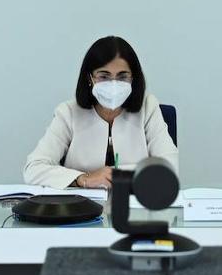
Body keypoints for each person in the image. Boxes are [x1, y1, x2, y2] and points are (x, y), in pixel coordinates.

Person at [24, 35, 178, 188]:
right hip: (82, 202)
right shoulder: (68, 113)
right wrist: (84, 179)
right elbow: (34, 168)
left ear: (133, 78)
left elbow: (170, 166)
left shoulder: (148, 107)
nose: (114, 84)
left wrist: (116, 175)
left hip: (135, 200)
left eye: (122, 76)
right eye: (104, 76)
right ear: (90, 78)